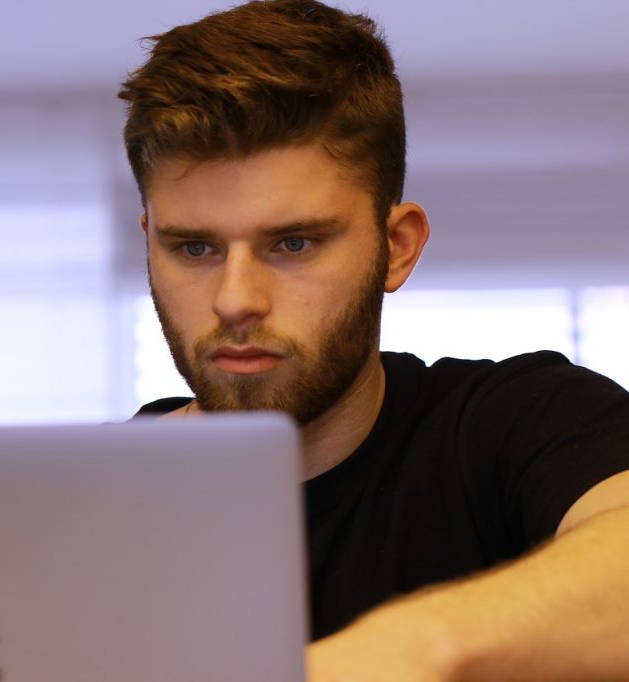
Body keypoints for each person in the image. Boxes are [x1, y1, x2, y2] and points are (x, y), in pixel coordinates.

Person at [118, 0, 629, 679]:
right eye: (194, 248)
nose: (235, 299)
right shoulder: (90, 499)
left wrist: (409, 650)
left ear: (397, 247)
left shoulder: (519, 422)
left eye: (293, 243)